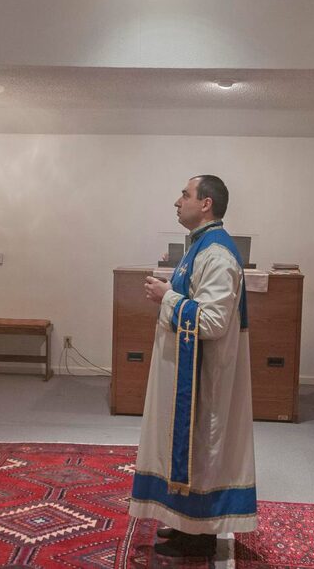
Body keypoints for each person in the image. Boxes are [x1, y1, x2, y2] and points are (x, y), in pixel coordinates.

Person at [129, 175, 256, 558]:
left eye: (184, 194)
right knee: (192, 450)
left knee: (202, 448)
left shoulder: (216, 253)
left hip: (207, 377)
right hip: (191, 369)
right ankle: (188, 526)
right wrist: (172, 293)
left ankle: (201, 536)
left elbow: (213, 322)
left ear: (206, 204)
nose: (176, 201)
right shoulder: (201, 245)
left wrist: (166, 297)